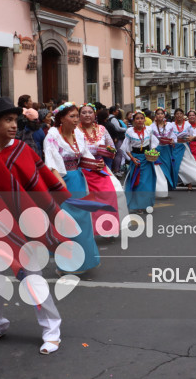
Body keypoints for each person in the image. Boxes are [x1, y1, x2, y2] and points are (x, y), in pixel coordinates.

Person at [0, 97, 67, 354]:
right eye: (8, 120)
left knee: (31, 277)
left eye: (15, 120)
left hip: (25, 225)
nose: (14, 125)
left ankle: (51, 328)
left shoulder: (23, 149)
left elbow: (40, 183)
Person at [43, 103, 100, 273]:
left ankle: (85, 261)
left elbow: (85, 155)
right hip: (61, 181)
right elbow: (51, 159)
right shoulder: (52, 135)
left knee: (82, 221)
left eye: (77, 116)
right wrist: (59, 180)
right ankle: (66, 264)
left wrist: (96, 164)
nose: (77, 119)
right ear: (61, 118)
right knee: (66, 223)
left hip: (77, 180)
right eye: (72, 116)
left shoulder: (78, 134)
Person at [77, 103, 127, 234]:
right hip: (83, 171)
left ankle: (108, 227)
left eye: (90, 112)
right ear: (79, 116)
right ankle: (88, 230)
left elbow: (112, 148)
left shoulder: (102, 129)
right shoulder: (74, 130)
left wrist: (106, 151)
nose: (87, 115)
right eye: (84, 112)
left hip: (100, 168)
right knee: (88, 200)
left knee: (115, 192)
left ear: (95, 115)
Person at [121, 111, 169, 213]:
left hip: (147, 159)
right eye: (137, 118)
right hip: (136, 160)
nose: (140, 120)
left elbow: (153, 143)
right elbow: (126, 148)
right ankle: (138, 205)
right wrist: (132, 159)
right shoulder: (130, 131)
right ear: (134, 120)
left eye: (141, 118)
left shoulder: (148, 130)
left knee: (147, 183)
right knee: (138, 183)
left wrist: (153, 152)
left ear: (144, 119)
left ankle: (146, 203)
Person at [171, 108, 196, 191]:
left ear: (183, 115)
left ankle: (190, 183)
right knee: (176, 166)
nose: (179, 115)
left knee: (188, 165)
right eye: (177, 114)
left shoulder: (187, 125)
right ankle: (179, 181)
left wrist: (194, 138)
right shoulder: (171, 125)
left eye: (180, 113)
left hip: (185, 146)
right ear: (175, 115)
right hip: (175, 147)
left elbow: (192, 135)